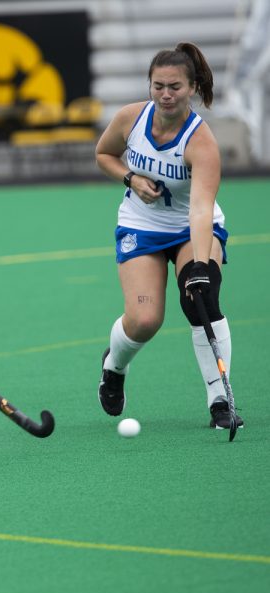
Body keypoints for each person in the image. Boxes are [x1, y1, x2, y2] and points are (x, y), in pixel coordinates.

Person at [94, 42, 241, 430]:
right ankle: (114, 366)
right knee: (144, 319)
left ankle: (220, 400)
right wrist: (131, 178)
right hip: (141, 225)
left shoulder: (201, 142)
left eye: (174, 86)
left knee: (201, 299)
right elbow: (104, 154)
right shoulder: (130, 118)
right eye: (158, 85)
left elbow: (201, 209)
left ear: (191, 87)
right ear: (149, 85)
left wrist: (199, 264)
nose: (165, 94)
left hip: (192, 225)